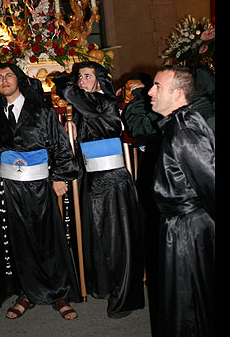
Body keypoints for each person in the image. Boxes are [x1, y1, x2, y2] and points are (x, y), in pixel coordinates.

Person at [0, 62, 81, 320]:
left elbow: (61, 147)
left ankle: (58, 293)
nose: (4, 80)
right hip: (8, 190)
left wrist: (60, 176)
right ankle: (26, 293)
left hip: (41, 186)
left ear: (18, 79)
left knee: (49, 240)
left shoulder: (42, 112)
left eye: (8, 75)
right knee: (18, 243)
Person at [53, 61, 146, 318]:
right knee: (96, 234)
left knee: (116, 238)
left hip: (113, 179)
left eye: (86, 76)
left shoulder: (102, 102)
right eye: (79, 77)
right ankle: (104, 286)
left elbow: (69, 93)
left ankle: (125, 294)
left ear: (99, 80)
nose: (81, 81)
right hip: (92, 178)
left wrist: (64, 80)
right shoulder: (88, 108)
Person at [147, 65, 215, 337]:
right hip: (183, 227)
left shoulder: (184, 130)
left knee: (188, 302)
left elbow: (210, 181)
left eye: (157, 87)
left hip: (189, 231)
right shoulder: (178, 124)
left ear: (177, 95)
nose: (150, 92)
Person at [120, 71, 163, 336]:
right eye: (126, 88)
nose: (131, 92)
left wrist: (136, 98)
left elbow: (140, 128)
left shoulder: (157, 111)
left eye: (136, 87)